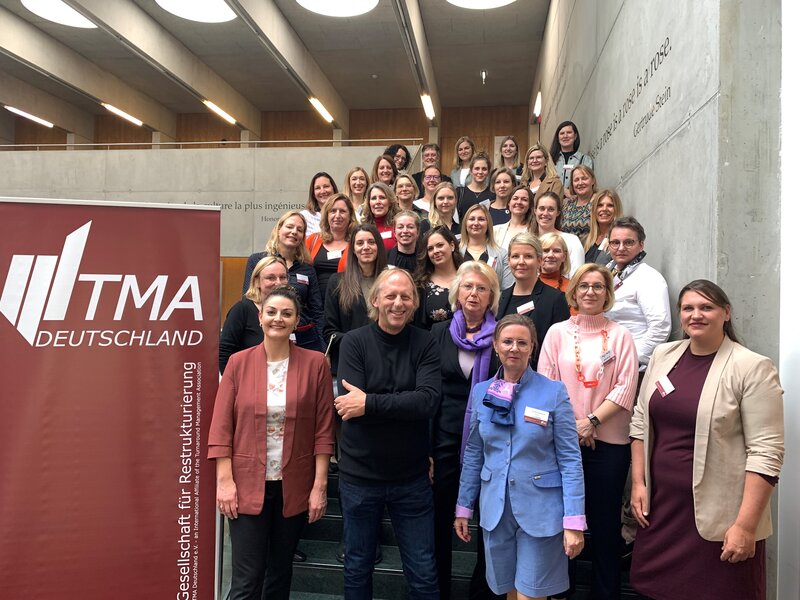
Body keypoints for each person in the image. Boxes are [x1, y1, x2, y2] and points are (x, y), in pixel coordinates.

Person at [629, 280, 785, 600]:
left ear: (726, 313)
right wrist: (639, 484)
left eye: (706, 307)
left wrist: (745, 526)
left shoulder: (751, 367)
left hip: (719, 518)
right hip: (662, 510)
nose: (696, 315)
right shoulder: (663, 355)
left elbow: (766, 453)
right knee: (656, 591)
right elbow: (640, 421)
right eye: (688, 308)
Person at [209, 286, 335, 600]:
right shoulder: (238, 363)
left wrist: (320, 486)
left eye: (287, 314)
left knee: (279, 576)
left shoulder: (316, 364)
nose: (278, 318)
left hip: (294, 485)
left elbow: (323, 430)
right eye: (272, 312)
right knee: (246, 581)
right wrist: (225, 482)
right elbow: (222, 428)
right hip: (247, 484)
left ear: (296, 322)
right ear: (260, 317)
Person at [454, 314, 586, 599]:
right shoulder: (480, 392)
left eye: (522, 342)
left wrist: (574, 519)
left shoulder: (553, 392)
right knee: (509, 592)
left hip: (541, 511)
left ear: (532, 347)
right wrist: (463, 507)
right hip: (495, 511)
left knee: (531, 594)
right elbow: (475, 452)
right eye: (508, 341)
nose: (514, 348)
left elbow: (570, 459)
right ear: (496, 346)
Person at [334, 268, 442, 600]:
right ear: (376, 300)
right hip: (359, 478)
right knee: (357, 568)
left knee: (423, 574)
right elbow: (348, 409)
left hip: (411, 478)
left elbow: (427, 402)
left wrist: (369, 403)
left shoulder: (426, 342)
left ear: (415, 303)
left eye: (405, 296)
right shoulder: (352, 342)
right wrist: (394, 405)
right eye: (391, 295)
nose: (398, 303)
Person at [537, 264, 638, 600]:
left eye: (598, 286)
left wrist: (591, 421)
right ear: (574, 292)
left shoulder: (621, 335)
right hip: (562, 445)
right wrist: (573, 428)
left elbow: (625, 388)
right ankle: (560, 593)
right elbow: (547, 386)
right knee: (564, 523)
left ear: (607, 293)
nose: (591, 292)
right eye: (584, 286)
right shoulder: (556, 333)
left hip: (608, 446)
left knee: (605, 526)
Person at [430, 261, 501, 600]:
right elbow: (429, 392)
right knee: (440, 520)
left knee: (489, 521)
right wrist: (426, 449)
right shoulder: (438, 333)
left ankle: (482, 592)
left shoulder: (504, 337)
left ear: (491, 297)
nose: (474, 293)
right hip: (444, 439)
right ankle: (439, 589)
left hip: (490, 440)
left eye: (482, 288)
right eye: (468, 287)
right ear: (457, 292)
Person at [243, 211, 325, 351]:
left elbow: (316, 310)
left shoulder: (307, 269)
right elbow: (249, 299)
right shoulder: (257, 260)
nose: (294, 232)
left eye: (299, 230)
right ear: (279, 229)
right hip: (264, 336)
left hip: (304, 339)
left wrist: (323, 347)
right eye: (289, 227)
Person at [605, 216, 671, 374]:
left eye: (628, 242)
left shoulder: (648, 277)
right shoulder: (609, 273)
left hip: (631, 367)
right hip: (608, 360)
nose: (621, 248)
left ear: (641, 245)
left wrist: (631, 359)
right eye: (615, 242)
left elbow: (660, 327)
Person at [324, 224, 388, 377]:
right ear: (353, 249)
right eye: (360, 243)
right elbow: (329, 331)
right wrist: (361, 341)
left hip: (387, 361)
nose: (366, 247)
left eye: (371, 242)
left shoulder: (390, 281)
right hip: (351, 363)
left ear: (379, 246)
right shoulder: (337, 282)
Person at [496, 232, 570, 364]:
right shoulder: (501, 298)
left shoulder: (555, 299)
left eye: (528, 256)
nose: (521, 262)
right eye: (515, 256)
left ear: (540, 261)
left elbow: (562, 348)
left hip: (540, 376)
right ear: (509, 261)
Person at [219, 255, 289, 374]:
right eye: (270, 278)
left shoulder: (290, 311)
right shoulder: (241, 310)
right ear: (257, 281)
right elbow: (224, 353)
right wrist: (236, 386)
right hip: (247, 384)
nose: (278, 282)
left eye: (283, 277)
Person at [305, 193, 356, 302]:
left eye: (342, 211)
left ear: (350, 215)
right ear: (327, 215)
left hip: (345, 304)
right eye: (333, 211)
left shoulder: (356, 243)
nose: (337, 215)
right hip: (315, 305)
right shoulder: (312, 240)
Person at [415, 226, 463, 328]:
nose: (435, 251)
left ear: (452, 246)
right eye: (430, 249)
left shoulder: (469, 277)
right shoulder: (421, 285)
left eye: (440, 245)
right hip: (436, 341)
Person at [459, 203, 513, 288]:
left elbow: (507, 289)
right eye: (472, 219)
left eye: (481, 219)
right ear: (465, 223)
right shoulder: (455, 252)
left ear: (488, 224)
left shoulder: (502, 254)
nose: (476, 223)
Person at [532, 191, 585, 278]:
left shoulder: (572, 241)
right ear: (535, 211)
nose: (545, 213)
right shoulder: (529, 240)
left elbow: (576, 277)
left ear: (558, 213)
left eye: (551, 209)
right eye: (542, 208)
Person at [550, 121, 594, 194]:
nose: (565, 136)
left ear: (575, 136)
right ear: (558, 137)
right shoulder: (550, 160)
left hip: (576, 201)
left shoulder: (585, 160)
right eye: (562, 133)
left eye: (569, 132)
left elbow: (588, 183)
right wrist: (563, 191)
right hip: (554, 202)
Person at [584, 189, 623, 265]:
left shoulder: (620, 241)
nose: (604, 209)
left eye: (610, 205)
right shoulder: (585, 240)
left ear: (616, 209)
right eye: (600, 205)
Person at [560, 164, 597, 241]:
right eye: (576, 180)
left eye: (584, 178)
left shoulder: (599, 202)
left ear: (593, 180)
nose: (580, 183)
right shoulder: (567, 205)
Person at [493, 185, 533, 250]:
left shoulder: (534, 231)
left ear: (529, 205)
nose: (519, 202)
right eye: (515, 198)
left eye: (524, 199)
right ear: (509, 203)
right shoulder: (495, 231)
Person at [361, 182, 399, 250]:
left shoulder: (399, 226)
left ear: (390, 202)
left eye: (382, 197)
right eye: (373, 198)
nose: (378, 202)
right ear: (369, 203)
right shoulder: (363, 228)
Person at [456, 153, 494, 219]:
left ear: (488, 172)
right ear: (471, 171)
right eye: (477, 168)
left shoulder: (493, 195)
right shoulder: (459, 193)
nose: (480, 172)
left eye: (484, 169)